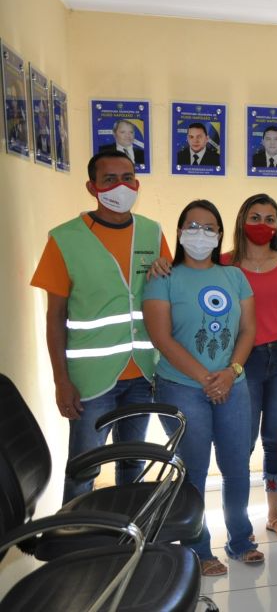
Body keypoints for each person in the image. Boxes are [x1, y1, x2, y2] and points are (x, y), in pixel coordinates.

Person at [30, 149, 170, 502]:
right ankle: (73, 532)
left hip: (142, 374)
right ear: (92, 187)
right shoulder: (65, 239)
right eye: (109, 179)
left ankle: (125, 530)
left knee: (133, 464)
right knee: (84, 469)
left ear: (137, 183)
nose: (120, 186)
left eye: (127, 178)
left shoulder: (152, 232)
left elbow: (168, 294)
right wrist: (61, 381)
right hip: (91, 382)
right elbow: (54, 317)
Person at [143, 199, 262, 576]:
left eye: (209, 227)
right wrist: (206, 378)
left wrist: (231, 372)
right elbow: (161, 338)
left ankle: (241, 540)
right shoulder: (163, 277)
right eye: (192, 226)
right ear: (179, 232)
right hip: (181, 387)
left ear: (220, 234)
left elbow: (248, 330)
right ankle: (197, 547)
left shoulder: (235, 277)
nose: (200, 233)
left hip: (233, 385)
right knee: (194, 471)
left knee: (237, 466)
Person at [224, 193, 277, 542]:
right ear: (242, 221)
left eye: (270, 219)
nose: (263, 224)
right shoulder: (223, 264)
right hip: (243, 363)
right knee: (240, 444)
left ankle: (274, 516)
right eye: (255, 217)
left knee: (275, 440)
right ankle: (239, 525)